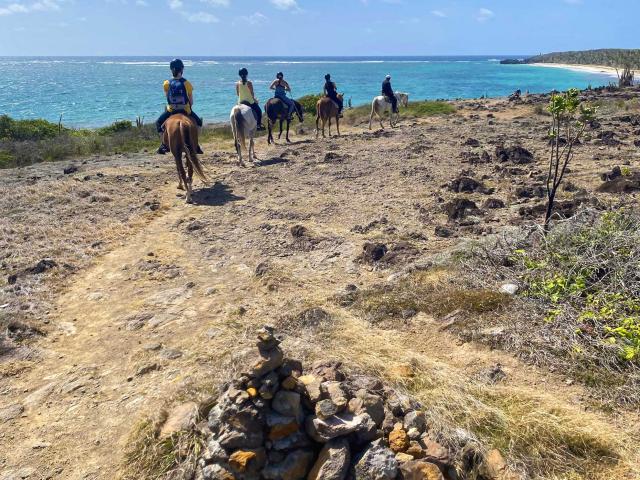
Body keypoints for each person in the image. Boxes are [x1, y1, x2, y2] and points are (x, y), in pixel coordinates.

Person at [155, 59, 204, 155]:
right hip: (186, 111)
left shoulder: (166, 83)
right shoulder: (187, 83)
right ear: (182, 70)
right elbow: (191, 101)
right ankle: (196, 145)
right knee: (199, 123)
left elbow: (167, 98)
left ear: (171, 70)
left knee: (158, 123)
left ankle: (164, 145)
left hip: (171, 111)